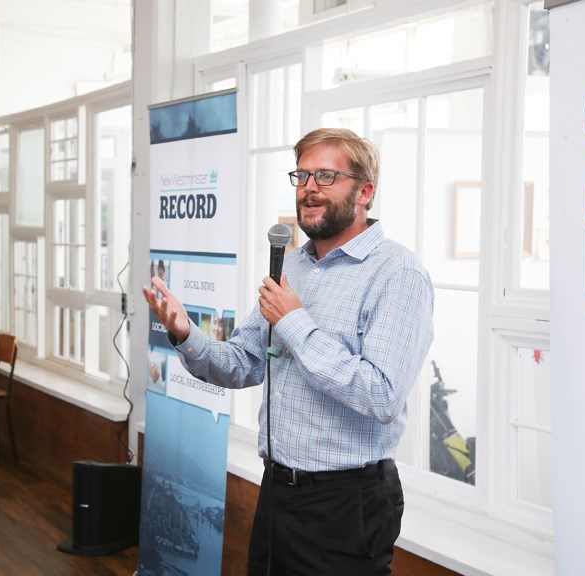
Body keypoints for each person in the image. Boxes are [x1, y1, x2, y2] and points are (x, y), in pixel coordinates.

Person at [142, 127, 435, 575]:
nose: (309, 188)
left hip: (345, 504)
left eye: (325, 176)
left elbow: (381, 395)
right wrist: (185, 334)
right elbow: (243, 364)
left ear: (365, 192)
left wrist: (295, 323)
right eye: (301, 176)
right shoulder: (292, 264)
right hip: (278, 490)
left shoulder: (398, 273)